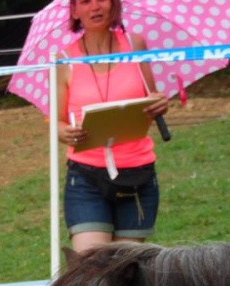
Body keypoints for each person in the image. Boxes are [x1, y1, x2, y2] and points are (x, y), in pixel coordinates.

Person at [58, 0, 169, 254]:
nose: (95, 7)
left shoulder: (135, 45)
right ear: (74, 11)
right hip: (86, 178)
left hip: (137, 174)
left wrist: (159, 103)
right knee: (90, 269)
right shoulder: (63, 60)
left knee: (125, 275)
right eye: (85, 1)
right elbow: (57, 123)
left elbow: (151, 98)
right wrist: (63, 132)